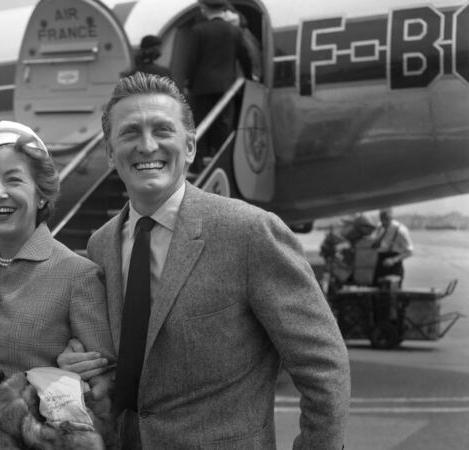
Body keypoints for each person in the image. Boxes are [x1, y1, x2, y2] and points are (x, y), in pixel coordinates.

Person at [58, 73, 350, 449]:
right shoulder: (101, 244)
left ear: (191, 146)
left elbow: (323, 365)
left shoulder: (249, 233)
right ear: (111, 154)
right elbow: (132, 362)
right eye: (130, 133)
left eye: (162, 130)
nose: (147, 145)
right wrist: (78, 363)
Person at [0, 121, 115, 449]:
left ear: (40, 194)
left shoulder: (79, 276)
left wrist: (66, 381)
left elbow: (106, 393)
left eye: (14, 180)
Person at [185, 0, 252, 170]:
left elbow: (192, 61)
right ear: (223, 9)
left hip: (201, 87)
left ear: (204, 9)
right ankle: (223, 161)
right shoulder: (234, 31)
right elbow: (245, 57)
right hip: (226, 88)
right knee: (223, 124)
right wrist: (250, 77)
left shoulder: (198, 30)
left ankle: (197, 162)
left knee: (199, 124)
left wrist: (189, 83)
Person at [373, 207, 414, 285]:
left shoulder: (400, 230)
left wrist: (394, 260)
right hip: (379, 265)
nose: (383, 222)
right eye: (381, 218)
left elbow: (410, 251)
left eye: (386, 219)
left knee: (392, 293)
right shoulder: (379, 227)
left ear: (391, 217)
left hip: (394, 267)